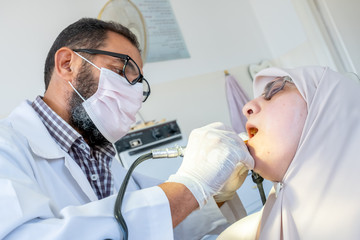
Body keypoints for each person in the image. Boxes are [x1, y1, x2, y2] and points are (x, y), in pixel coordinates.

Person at [0, 18, 254, 240]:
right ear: (67, 64)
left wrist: (217, 192)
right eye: (121, 71)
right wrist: (192, 185)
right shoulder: (7, 146)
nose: (133, 93)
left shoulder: (101, 158)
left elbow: (156, 226)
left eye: (137, 83)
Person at [217, 66, 360, 239]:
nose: (247, 107)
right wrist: (217, 197)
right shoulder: (248, 231)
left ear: (328, 112)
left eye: (274, 91)